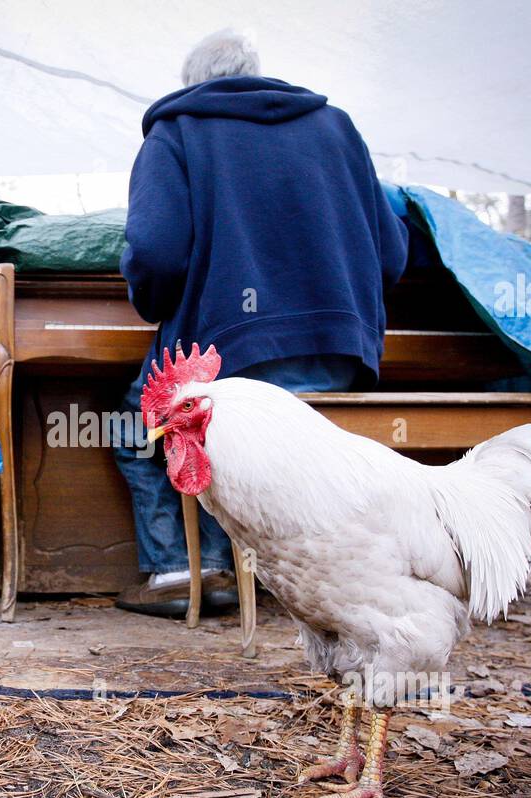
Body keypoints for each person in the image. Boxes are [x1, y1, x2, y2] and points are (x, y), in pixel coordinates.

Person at [113, 28, 409, 617]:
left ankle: (183, 575)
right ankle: (275, 576)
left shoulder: (178, 132)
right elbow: (392, 254)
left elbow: (155, 251)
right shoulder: (337, 128)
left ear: (193, 86)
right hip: (339, 353)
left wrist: (152, 301)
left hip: (233, 348)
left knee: (138, 427)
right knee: (256, 428)